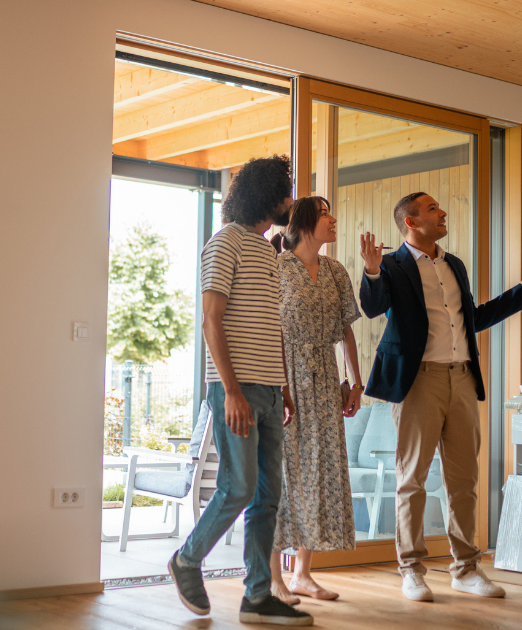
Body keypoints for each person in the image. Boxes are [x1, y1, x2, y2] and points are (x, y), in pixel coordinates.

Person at [358, 192, 522, 602]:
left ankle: (466, 569)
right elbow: (372, 308)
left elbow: (471, 319)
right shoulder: (391, 265)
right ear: (411, 222)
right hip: (418, 381)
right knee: (413, 481)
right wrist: (370, 271)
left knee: (464, 481)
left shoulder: (453, 263)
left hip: (461, 379)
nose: (442, 213)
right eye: (433, 209)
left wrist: (518, 293)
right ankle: (411, 571)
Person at [167, 155, 313, 627]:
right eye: (283, 192)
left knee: (269, 496)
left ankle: (257, 596)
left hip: (271, 389)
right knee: (239, 486)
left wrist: (284, 386)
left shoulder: (269, 253)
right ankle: (188, 560)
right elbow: (212, 320)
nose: (289, 201)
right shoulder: (224, 242)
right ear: (262, 195)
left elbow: (270, 327)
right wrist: (230, 391)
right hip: (238, 389)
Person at [267, 196, 362, 604]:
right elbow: (272, 331)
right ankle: (273, 578)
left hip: (325, 379)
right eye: (325, 214)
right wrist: (282, 384)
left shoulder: (337, 270)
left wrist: (355, 381)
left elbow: (346, 330)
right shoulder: (277, 267)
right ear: (305, 222)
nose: (334, 219)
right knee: (284, 476)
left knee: (320, 472)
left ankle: (303, 573)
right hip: (285, 378)